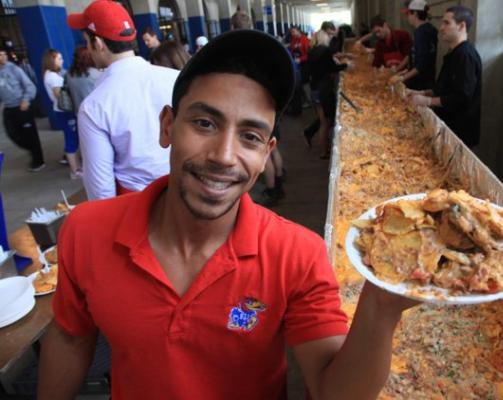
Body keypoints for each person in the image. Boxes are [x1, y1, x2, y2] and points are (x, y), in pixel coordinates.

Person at [37, 29, 418, 400]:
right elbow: (71, 337)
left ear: (266, 153)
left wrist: (381, 308)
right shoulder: (87, 231)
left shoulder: (297, 254)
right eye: (205, 123)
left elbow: (333, 391)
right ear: (168, 126)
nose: (223, 155)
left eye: (250, 137)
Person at [66, 0, 179, 200]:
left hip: (136, 206)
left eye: (87, 41)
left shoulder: (94, 106)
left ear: (98, 44)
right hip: (186, 196)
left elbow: (101, 191)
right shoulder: (175, 79)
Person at [407, 6, 482, 147]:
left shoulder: (465, 55)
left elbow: (462, 97)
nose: (441, 28)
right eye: (442, 23)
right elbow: (444, 88)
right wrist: (422, 92)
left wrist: (428, 101)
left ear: (462, 26)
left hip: (459, 130)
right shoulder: (454, 52)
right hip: (448, 124)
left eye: (447, 23)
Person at [0, 47, 45, 171]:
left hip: (22, 106)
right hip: (9, 108)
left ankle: (38, 161)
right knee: (12, 133)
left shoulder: (15, 69)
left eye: (3, 54)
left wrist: (26, 99)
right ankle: (31, 148)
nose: (2, 57)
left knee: (31, 135)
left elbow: (30, 86)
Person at [307, 29, 350, 159]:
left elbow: (322, 67)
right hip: (323, 89)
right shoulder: (324, 51)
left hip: (314, 89)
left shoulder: (312, 51)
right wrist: (346, 65)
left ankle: (322, 148)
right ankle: (324, 152)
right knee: (325, 123)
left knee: (322, 121)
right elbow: (332, 68)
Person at [42, 49, 82, 179]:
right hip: (64, 112)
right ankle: (75, 171)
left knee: (72, 139)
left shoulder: (52, 74)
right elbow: (60, 95)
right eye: (59, 58)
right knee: (71, 140)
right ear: (51, 60)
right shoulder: (52, 77)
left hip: (63, 112)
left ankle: (77, 167)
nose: (62, 60)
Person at [396, 0, 437, 90]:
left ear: (415, 14)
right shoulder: (429, 29)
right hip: (426, 78)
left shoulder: (421, 33)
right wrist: (404, 71)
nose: (408, 18)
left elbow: (421, 65)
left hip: (421, 82)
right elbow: (415, 55)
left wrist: (403, 78)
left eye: (408, 14)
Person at [66, 46, 102, 113]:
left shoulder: (69, 74)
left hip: (79, 112)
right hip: (94, 112)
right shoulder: (95, 74)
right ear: (90, 58)